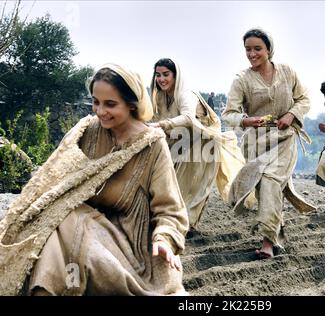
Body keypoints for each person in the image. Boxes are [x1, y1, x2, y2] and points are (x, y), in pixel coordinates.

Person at [0, 64, 189, 295]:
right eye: (95, 102)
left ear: (131, 104)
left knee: (68, 220)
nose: (100, 111)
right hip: (80, 225)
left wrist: (164, 240)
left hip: (129, 248)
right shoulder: (87, 131)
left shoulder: (151, 145)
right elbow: (54, 178)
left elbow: (170, 209)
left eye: (110, 104)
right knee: (60, 216)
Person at [222, 28, 316, 259]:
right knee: (264, 186)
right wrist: (246, 120)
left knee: (271, 181)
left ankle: (267, 241)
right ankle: (276, 234)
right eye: (248, 49)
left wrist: (291, 115)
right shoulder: (241, 80)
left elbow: (304, 99)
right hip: (256, 142)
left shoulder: (287, 72)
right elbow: (229, 114)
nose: (252, 54)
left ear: (269, 49)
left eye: (257, 49)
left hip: (285, 139)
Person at [149, 58, 246, 236]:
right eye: (158, 75)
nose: (161, 79)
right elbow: (154, 119)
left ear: (175, 76)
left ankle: (187, 225)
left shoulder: (186, 94)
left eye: (166, 74)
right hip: (180, 141)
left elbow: (187, 118)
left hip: (203, 141)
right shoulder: (160, 97)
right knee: (171, 181)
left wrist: (163, 125)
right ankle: (171, 220)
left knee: (192, 186)